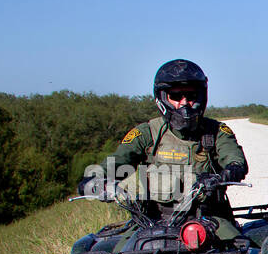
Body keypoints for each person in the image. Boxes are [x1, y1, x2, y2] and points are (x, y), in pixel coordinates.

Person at [79, 59, 249, 242]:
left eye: (191, 96)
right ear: (162, 97)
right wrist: (95, 182)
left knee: (239, 252)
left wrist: (224, 175)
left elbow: (236, 161)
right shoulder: (146, 133)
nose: (184, 104)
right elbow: (115, 163)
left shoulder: (216, 131)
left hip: (208, 219)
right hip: (151, 222)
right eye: (176, 97)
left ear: (202, 97)